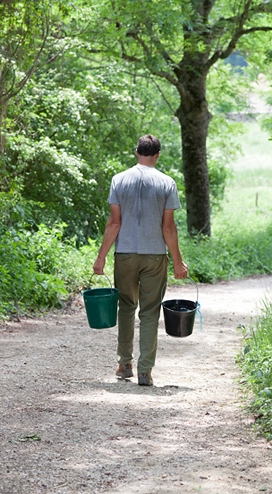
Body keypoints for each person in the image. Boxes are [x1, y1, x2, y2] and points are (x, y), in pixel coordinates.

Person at [93, 134, 189, 386]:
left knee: (126, 306)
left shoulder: (119, 180)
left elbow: (114, 223)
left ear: (136, 151)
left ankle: (124, 364)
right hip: (154, 255)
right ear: (157, 155)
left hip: (124, 253)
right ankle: (145, 371)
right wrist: (178, 261)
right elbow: (168, 228)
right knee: (149, 311)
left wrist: (101, 257)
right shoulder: (167, 183)